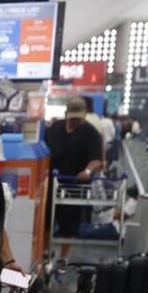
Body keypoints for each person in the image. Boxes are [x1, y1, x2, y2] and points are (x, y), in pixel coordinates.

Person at [43, 97, 103, 236]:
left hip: (74, 185)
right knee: (45, 220)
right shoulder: (55, 127)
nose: (75, 122)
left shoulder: (91, 133)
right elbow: (45, 149)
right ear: (66, 114)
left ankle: (64, 256)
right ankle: (44, 252)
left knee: (69, 224)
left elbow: (97, 159)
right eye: (72, 118)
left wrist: (87, 171)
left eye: (78, 119)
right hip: (51, 182)